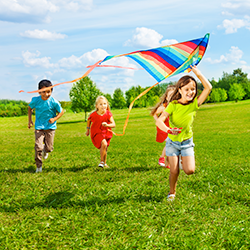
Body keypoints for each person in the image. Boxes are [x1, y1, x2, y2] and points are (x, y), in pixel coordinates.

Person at [156, 65, 212, 200]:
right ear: (180, 90)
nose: (190, 92)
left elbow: (208, 88)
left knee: (189, 170)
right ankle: (172, 193)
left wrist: (197, 73)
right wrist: (169, 130)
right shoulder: (173, 105)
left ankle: (182, 159)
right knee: (174, 170)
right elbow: (159, 121)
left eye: (193, 89)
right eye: (187, 89)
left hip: (187, 143)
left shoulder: (195, 104)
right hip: (172, 143)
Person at [28, 80, 64, 173]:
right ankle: (39, 166)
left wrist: (55, 119)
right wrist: (30, 120)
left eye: (49, 91)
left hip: (50, 127)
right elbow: (30, 108)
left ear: (51, 91)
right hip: (39, 127)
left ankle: (45, 150)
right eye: (44, 91)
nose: (46, 94)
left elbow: (61, 111)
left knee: (49, 148)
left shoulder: (53, 102)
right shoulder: (36, 100)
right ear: (39, 91)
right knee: (38, 147)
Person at [86, 96, 116, 168]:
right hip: (97, 133)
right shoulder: (93, 115)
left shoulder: (108, 114)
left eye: (105, 104)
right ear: (97, 106)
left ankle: (104, 163)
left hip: (106, 133)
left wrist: (107, 125)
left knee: (105, 147)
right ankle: (102, 161)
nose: (103, 106)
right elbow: (89, 120)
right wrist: (88, 129)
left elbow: (113, 124)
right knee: (103, 143)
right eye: (101, 104)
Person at [151, 85, 175, 169]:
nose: (172, 97)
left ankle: (167, 163)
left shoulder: (175, 105)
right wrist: (158, 121)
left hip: (170, 128)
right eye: (170, 95)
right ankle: (162, 158)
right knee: (170, 142)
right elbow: (154, 113)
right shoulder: (163, 107)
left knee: (171, 144)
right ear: (166, 97)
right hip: (163, 128)